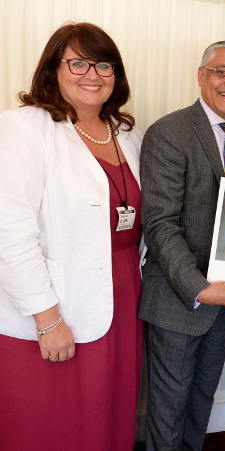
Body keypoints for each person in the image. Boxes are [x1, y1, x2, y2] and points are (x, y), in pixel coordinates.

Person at [0, 23, 143, 450]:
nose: (92, 75)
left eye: (103, 65)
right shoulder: (24, 128)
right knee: (50, 422)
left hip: (123, 295)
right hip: (55, 305)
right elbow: (10, 233)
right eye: (78, 63)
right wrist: (47, 320)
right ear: (53, 69)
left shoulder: (126, 133)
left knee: (108, 414)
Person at [139, 40, 225, 450]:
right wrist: (199, 288)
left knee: (200, 404)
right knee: (167, 410)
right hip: (179, 298)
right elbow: (160, 223)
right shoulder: (170, 132)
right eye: (223, 72)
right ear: (201, 75)